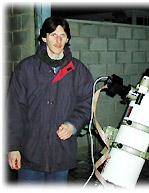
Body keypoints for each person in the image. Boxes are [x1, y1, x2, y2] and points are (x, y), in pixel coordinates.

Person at [7, 16, 94, 184]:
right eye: (53, 35)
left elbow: (87, 104)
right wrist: (12, 147)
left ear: (68, 39)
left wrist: (73, 124)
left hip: (61, 153)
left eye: (62, 35)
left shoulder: (78, 71)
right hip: (30, 153)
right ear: (44, 37)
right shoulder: (26, 69)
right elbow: (14, 110)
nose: (58, 40)